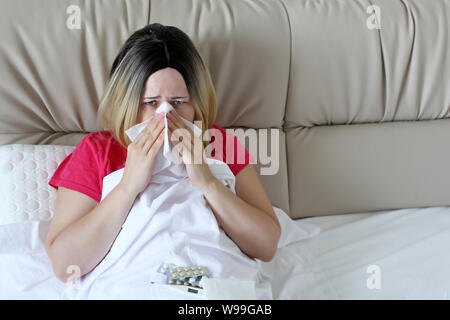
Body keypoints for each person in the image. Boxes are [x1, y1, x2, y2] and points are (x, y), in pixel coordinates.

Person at [45, 23, 281, 283]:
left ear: (197, 102)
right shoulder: (98, 150)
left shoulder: (220, 142)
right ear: (127, 102)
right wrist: (127, 187)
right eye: (150, 103)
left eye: (179, 102)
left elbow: (266, 246)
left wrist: (208, 181)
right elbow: (64, 264)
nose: (166, 117)